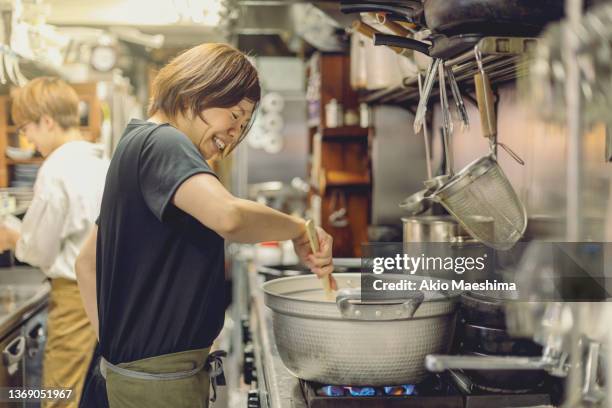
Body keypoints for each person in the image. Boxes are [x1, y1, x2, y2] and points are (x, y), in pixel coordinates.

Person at [75, 43, 335, 408]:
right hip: (159, 387)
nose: (234, 133)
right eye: (234, 114)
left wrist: (120, 353)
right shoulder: (165, 142)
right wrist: (297, 228)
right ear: (197, 91)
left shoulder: (133, 143)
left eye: (244, 124)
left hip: (137, 377)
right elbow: (227, 216)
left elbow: (86, 262)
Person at [0, 77, 109, 408]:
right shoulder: (99, 161)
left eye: (27, 127)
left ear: (46, 121)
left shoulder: (57, 168)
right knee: (91, 391)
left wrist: (11, 234)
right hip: (105, 290)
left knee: (61, 395)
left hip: (74, 295)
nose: (27, 137)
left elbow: (38, 249)